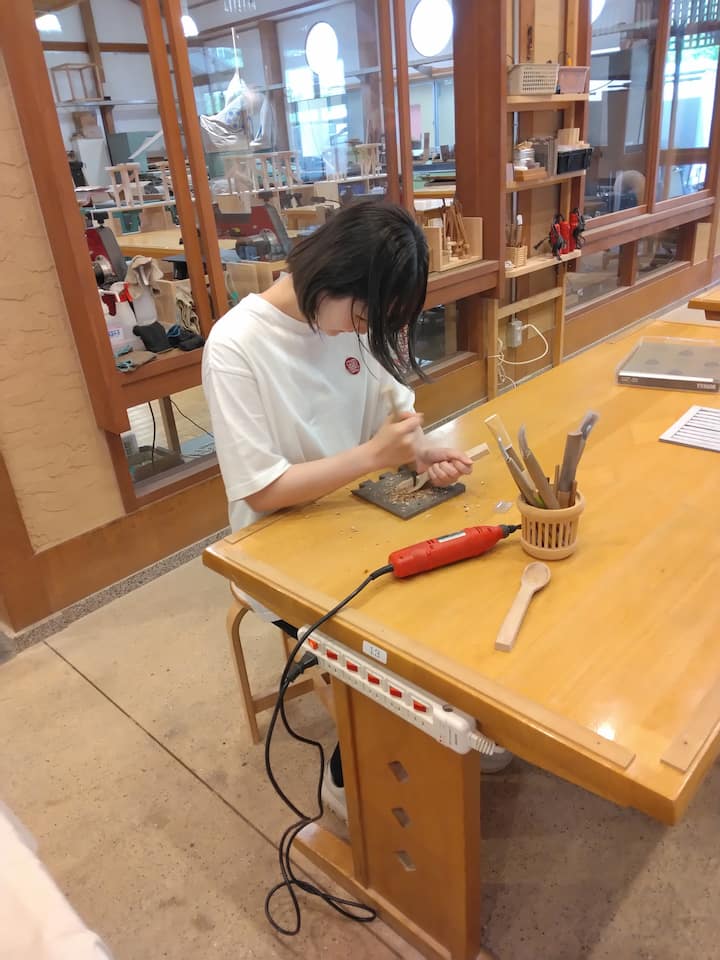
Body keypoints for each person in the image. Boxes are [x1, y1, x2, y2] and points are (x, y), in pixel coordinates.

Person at [203, 201, 503, 822]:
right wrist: (373, 456)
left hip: (357, 513)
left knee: (467, 583)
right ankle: (351, 776)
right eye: (363, 315)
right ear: (332, 276)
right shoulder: (235, 346)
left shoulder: (349, 323)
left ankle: (455, 720)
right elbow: (262, 490)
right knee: (385, 637)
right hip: (277, 546)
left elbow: (393, 413)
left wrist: (419, 451)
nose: (361, 332)